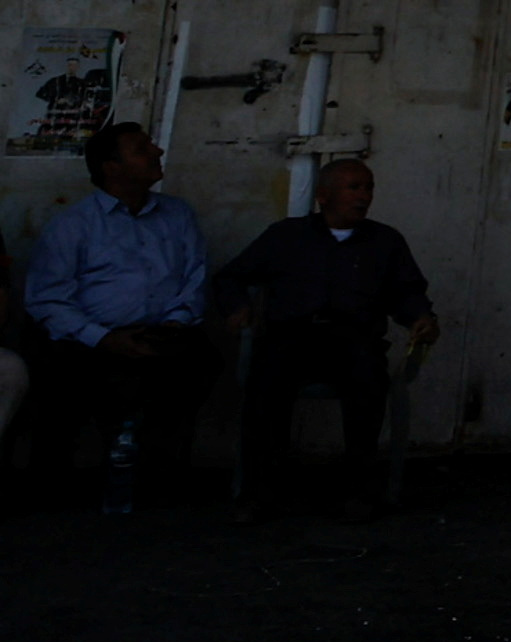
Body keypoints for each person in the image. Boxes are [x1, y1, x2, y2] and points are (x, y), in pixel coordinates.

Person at [219, 156, 435, 521]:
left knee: (368, 381)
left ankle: (359, 491)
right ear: (323, 195)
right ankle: (261, 492)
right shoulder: (287, 236)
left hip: (353, 338)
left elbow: (407, 292)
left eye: (368, 188)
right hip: (293, 335)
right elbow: (230, 277)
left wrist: (422, 317)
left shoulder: (385, 241)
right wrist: (237, 307)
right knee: (267, 382)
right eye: (354, 187)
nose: (363, 196)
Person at [24, 123, 218, 511]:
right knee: (61, 370)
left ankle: (158, 482)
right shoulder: (74, 224)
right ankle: (56, 492)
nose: (156, 152)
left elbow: (195, 279)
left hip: (162, 332)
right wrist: (104, 338)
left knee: (200, 360)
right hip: (92, 338)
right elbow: (47, 300)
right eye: (141, 149)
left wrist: (175, 323)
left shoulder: (177, 215)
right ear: (111, 167)